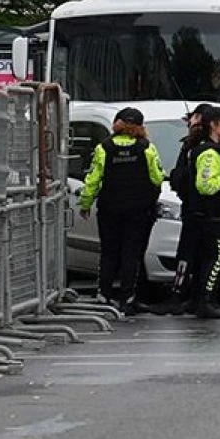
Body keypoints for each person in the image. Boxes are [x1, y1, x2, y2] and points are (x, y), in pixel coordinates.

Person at [79, 107, 166, 314]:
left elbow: (92, 180)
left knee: (109, 252)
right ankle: (127, 298)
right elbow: (157, 177)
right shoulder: (147, 148)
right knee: (131, 254)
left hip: (110, 208)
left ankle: (104, 295)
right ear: (140, 126)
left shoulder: (104, 148)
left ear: (117, 124)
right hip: (138, 209)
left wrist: (85, 203)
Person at [151, 103, 212, 316]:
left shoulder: (194, 147)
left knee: (192, 255)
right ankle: (191, 297)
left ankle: (188, 296)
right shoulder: (199, 146)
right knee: (194, 255)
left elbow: (180, 177)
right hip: (198, 210)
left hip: (195, 209)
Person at [185, 105, 220, 318]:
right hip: (212, 216)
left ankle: (207, 300)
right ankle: (206, 301)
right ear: (213, 125)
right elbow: (205, 185)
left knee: (211, 259)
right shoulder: (209, 152)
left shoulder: (218, 149)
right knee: (217, 258)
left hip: (214, 215)